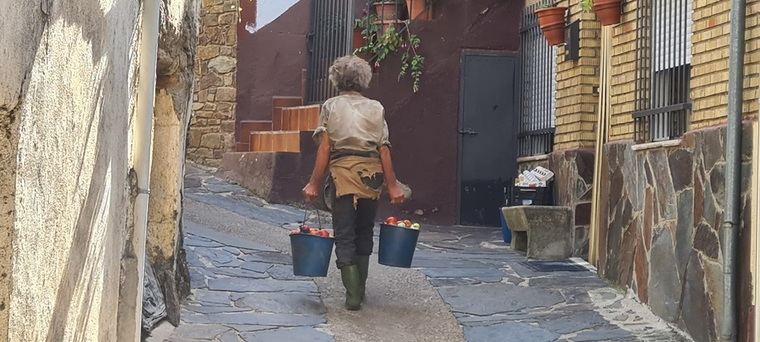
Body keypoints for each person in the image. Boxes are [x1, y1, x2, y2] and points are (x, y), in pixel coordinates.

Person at [303, 55, 407, 311]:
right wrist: (393, 185)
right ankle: (360, 288)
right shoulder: (376, 107)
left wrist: (314, 183)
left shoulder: (330, 106)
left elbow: (325, 148)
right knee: (364, 231)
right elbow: (384, 149)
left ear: (336, 80)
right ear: (364, 80)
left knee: (344, 233)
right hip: (372, 178)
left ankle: (352, 296)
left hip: (343, 176)